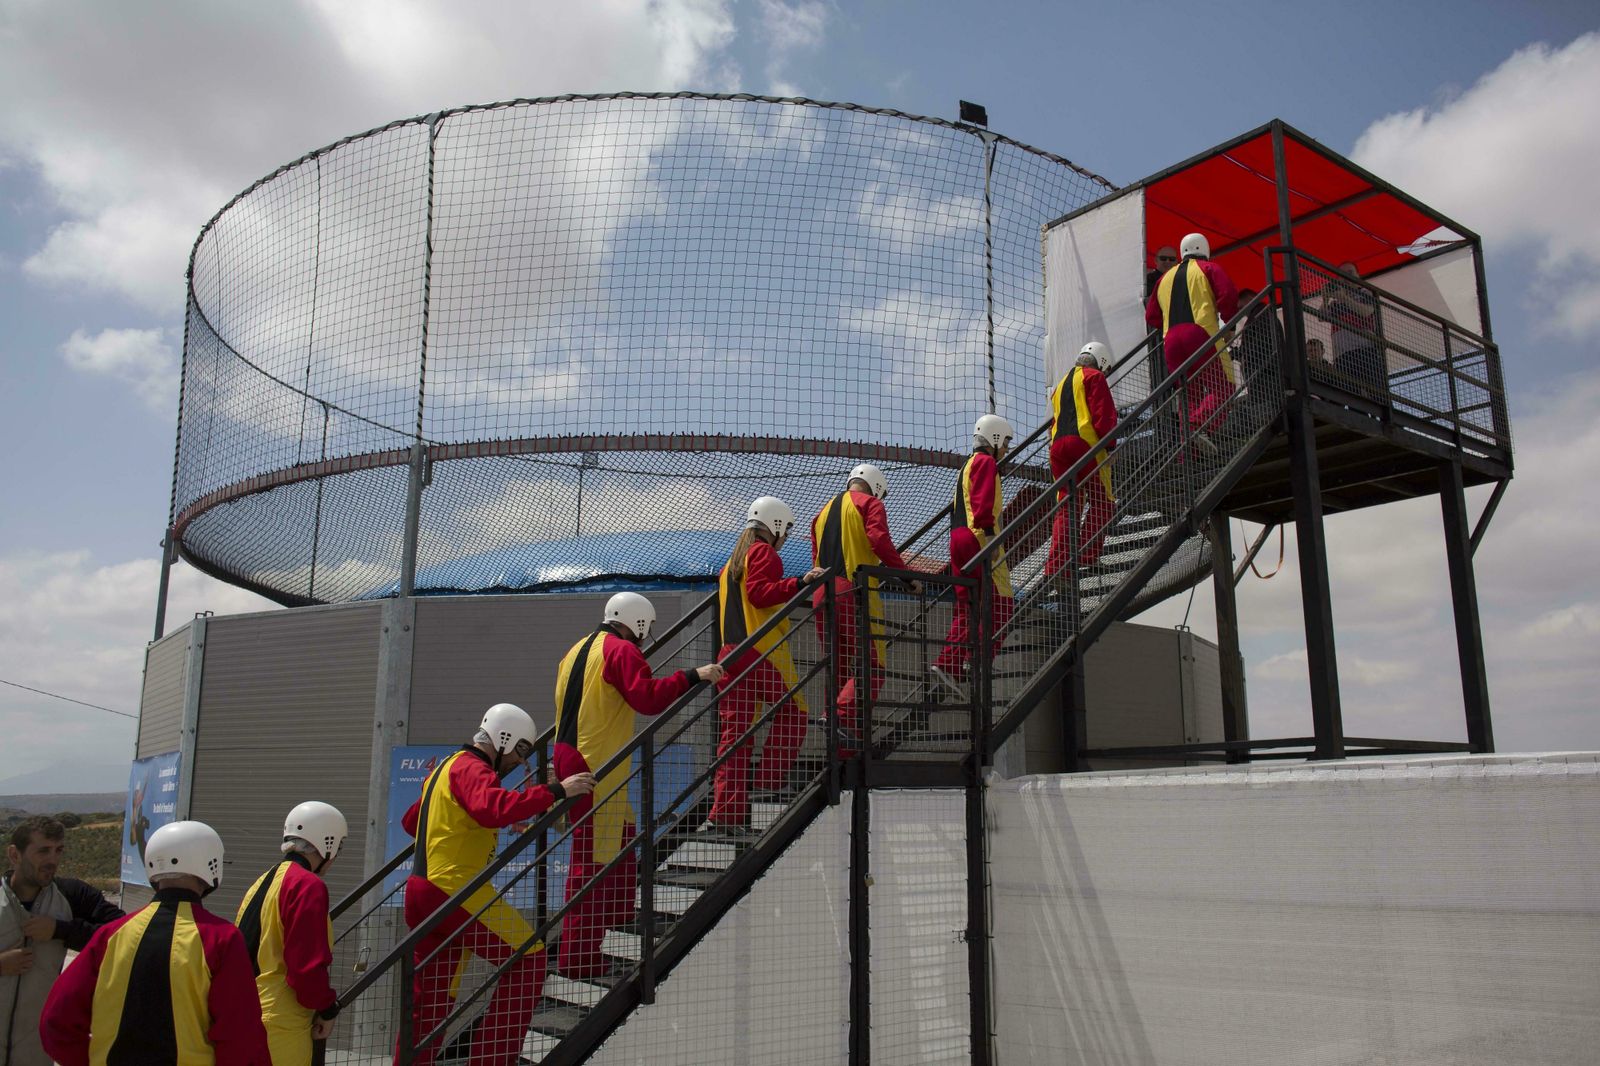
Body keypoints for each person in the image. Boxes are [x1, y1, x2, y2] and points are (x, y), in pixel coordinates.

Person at [400, 703, 595, 1066]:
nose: (519, 764)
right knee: (530, 959)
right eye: (520, 751)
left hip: (422, 889)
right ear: (503, 738)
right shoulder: (473, 767)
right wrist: (557, 790)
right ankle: (492, 1060)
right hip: (456, 889)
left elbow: (412, 822)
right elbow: (493, 808)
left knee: (432, 997)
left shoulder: (443, 769)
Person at [552, 595, 723, 979]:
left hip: (571, 754)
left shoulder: (577, 650)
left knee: (624, 835)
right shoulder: (622, 651)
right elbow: (647, 699)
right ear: (640, 624)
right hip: (597, 765)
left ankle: (616, 916)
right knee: (592, 862)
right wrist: (692, 676)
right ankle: (578, 958)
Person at [39, 820, 270, 1066]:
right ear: (210, 863)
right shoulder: (222, 938)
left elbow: (56, 1022)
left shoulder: (111, 935)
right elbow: (241, 1036)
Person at [707, 497, 826, 833]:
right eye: (785, 531)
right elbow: (760, 594)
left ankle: (725, 814)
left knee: (735, 737)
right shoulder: (763, 552)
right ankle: (768, 783)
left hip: (729, 654)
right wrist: (800, 583)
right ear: (774, 526)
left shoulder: (731, 563)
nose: (785, 538)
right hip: (760, 651)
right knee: (795, 713)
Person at [810, 463, 922, 752]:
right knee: (873, 666)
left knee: (837, 665)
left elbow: (815, 558)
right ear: (876, 488)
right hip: (853, 591)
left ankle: (838, 737)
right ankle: (841, 717)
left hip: (821, 592)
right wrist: (907, 577)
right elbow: (879, 540)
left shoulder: (820, 515)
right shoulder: (869, 504)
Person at [1, 817, 123, 1066]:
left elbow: (124, 934)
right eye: (43, 851)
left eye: (59, 851)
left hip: (36, 1053)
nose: (53, 860)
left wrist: (61, 930)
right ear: (15, 854)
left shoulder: (72, 896)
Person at [235, 802, 348, 1066]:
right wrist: (328, 1008)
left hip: (246, 1010)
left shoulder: (262, 881)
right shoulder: (308, 886)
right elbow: (306, 968)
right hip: (281, 1023)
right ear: (327, 843)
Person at [931, 415, 1017, 701]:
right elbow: (982, 505)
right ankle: (977, 659)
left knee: (968, 606)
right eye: (1005, 442)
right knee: (1001, 604)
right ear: (994, 439)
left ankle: (949, 664)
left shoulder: (967, 465)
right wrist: (991, 537)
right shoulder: (986, 463)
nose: (1005, 449)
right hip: (978, 537)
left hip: (957, 538)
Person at [1145, 232, 1239, 453]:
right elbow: (1228, 294)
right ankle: (1199, 425)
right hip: (1201, 334)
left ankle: (1187, 450)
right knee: (1224, 387)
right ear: (1204, 250)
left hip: (1171, 342)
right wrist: (1230, 325)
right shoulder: (1209, 268)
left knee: (1188, 394)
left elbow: (1151, 316)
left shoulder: (1163, 279)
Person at [1044, 342, 1119, 579]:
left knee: (1067, 505)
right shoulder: (1094, 377)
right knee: (1103, 501)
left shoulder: (1060, 384)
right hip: (1085, 445)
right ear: (1102, 363)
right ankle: (1088, 554)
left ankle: (1057, 566)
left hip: (1058, 448)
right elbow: (1103, 415)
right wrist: (1109, 445)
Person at [1325, 261, 1386, 395]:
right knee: (1352, 396)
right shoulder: (1335, 303)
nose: (1346, 277)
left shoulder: (1365, 292)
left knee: (1377, 394)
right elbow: (1321, 316)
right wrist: (1325, 297)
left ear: (1358, 275)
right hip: (1342, 356)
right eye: (1342, 275)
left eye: (1350, 273)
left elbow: (1366, 311)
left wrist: (1345, 298)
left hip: (1365, 352)